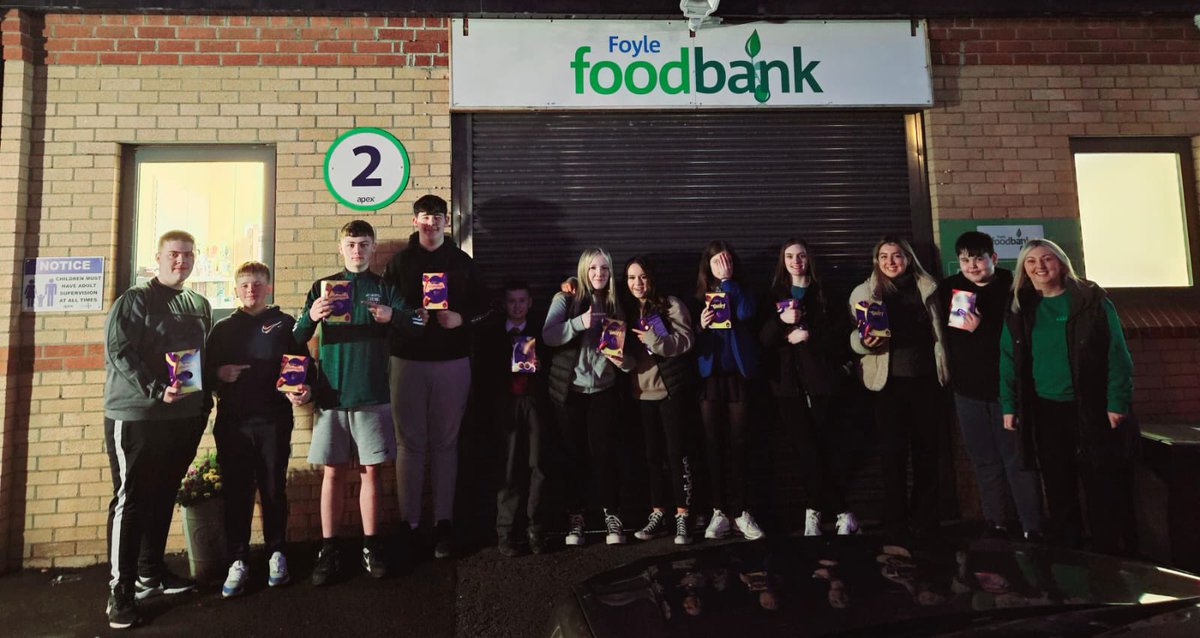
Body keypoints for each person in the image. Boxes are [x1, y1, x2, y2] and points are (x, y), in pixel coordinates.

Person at [294, 220, 422, 585]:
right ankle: (329, 547)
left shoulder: (383, 287)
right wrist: (312, 316)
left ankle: (371, 544)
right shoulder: (323, 288)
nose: (357, 250)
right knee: (332, 473)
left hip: (372, 393)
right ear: (340, 247)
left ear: (373, 247)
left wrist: (393, 316)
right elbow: (297, 336)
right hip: (332, 394)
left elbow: (418, 321)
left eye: (364, 244)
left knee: (372, 472)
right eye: (351, 244)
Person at [103, 230, 211, 630]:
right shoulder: (134, 300)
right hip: (137, 417)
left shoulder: (198, 303)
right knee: (131, 500)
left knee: (164, 494)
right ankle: (121, 590)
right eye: (173, 255)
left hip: (181, 419)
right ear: (158, 257)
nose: (180, 261)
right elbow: (119, 352)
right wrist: (153, 389)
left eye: (187, 255)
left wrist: (204, 403)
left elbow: (203, 358)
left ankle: (151, 573)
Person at [999, 238, 1136, 555]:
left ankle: (1109, 556)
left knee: (1100, 483)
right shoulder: (1021, 309)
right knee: (1058, 484)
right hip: (1046, 410)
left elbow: (1118, 355)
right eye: (1031, 262)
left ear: (1061, 263)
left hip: (1091, 408)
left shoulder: (1091, 302)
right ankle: (1069, 557)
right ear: (1024, 271)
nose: (1040, 267)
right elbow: (1008, 360)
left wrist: (1116, 402)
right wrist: (1010, 405)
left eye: (1047, 259)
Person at [383, 194, 488, 560]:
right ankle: (409, 524)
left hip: (451, 360)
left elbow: (485, 307)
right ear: (415, 222)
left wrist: (461, 318)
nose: (432, 223)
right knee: (408, 444)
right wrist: (407, 317)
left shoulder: (461, 262)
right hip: (407, 360)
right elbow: (388, 311)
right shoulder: (398, 263)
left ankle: (444, 522)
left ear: (447, 221)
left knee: (446, 443)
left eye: (438, 217)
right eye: (425, 217)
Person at [205, 261, 313, 598]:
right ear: (236, 290)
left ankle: (276, 553)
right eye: (245, 285)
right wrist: (219, 374)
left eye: (258, 284)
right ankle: (238, 559)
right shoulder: (221, 329)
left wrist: (304, 390)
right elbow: (202, 374)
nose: (251, 290)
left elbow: (303, 367)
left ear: (268, 288)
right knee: (237, 492)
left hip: (274, 422)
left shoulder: (285, 324)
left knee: (273, 488)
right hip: (234, 425)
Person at [937, 232, 1044, 541]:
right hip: (967, 392)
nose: (972, 266)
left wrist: (981, 329)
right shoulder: (949, 289)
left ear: (993, 259)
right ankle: (997, 522)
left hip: (1006, 392)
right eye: (965, 260)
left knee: (1018, 459)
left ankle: (1032, 526)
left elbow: (1020, 340)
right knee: (983, 459)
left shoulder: (1014, 289)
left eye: (979, 258)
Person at [849, 236, 949, 538]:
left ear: (908, 258)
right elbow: (852, 336)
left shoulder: (929, 288)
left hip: (926, 382)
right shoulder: (864, 292)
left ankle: (925, 518)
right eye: (884, 256)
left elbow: (942, 330)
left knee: (927, 453)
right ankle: (894, 519)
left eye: (897, 256)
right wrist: (863, 342)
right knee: (892, 454)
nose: (891, 262)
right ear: (876, 261)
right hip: (887, 384)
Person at [759, 238, 858, 536]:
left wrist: (810, 336)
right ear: (782, 261)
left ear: (809, 259)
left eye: (800, 255)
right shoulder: (773, 295)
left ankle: (816, 514)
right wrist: (780, 322)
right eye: (789, 255)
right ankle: (839, 511)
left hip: (822, 385)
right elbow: (762, 341)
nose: (795, 261)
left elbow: (842, 338)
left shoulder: (825, 293)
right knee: (806, 452)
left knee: (824, 451)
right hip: (787, 388)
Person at [543, 247, 635, 546]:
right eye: (593, 269)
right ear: (584, 270)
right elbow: (548, 336)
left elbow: (626, 353)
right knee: (573, 456)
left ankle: (611, 514)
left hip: (604, 391)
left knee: (605, 455)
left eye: (604, 269)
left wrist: (624, 362)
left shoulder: (615, 303)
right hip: (570, 392)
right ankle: (576, 518)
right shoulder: (566, 298)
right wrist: (579, 323)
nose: (599, 274)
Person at [621, 256, 698, 546]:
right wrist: (619, 360)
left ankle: (683, 516)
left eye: (642, 277)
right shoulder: (625, 310)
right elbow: (628, 357)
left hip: (670, 390)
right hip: (641, 393)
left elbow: (687, 340)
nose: (637, 283)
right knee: (652, 457)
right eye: (631, 278)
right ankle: (658, 513)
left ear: (652, 278)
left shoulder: (670, 304)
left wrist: (656, 341)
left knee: (677, 454)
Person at [694, 241, 765, 542]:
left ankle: (741, 510)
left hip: (737, 374)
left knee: (740, 443)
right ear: (706, 266)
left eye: (727, 262)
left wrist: (727, 283)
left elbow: (748, 313)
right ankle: (718, 510)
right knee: (712, 444)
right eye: (716, 263)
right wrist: (701, 324)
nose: (722, 266)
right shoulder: (698, 296)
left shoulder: (742, 290)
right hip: (710, 376)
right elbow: (687, 335)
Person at [477, 281, 551, 557]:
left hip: (534, 403)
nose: (517, 306)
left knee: (538, 464)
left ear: (530, 303)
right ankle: (506, 532)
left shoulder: (541, 332)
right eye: (512, 301)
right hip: (505, 405)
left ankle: (536, 528)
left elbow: (556, 365)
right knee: (507, 467)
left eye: (522, 301)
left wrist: (541, 365)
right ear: (504, 304)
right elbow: (483, 374)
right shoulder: (492, 335)